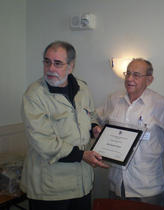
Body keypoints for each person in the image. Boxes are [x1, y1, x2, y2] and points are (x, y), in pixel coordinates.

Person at [20, 41, 108, 210]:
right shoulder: (34, 95)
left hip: (82, 184)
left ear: (71, 66)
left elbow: (90, 117)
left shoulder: (82, 88)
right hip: (50, 189)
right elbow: (43, 142)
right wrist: (82, 155)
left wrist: (94, 128)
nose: (51, 68)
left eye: (57, 63)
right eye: (47, 62)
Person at [96, 58, 164, 207]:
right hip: (117, 184)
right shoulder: (113, 99)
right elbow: (96, 119)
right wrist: (96, 130)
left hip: (147, 188)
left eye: (136, 75)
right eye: (128, 73)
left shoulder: (161, 104)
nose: (130, 79)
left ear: (149, 80)